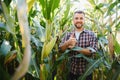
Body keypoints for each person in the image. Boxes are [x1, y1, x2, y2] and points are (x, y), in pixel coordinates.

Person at [59, 10, 98, 80]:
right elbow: (60, 50)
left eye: (81, 18)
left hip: (86, 73)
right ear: (73, 20)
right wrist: (67, 43)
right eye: (76, 18)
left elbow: (92, 52)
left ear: (84, 20)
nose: (79, 20)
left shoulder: (91, 35)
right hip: (71, 72)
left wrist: (76, 48)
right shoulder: (68, 35)